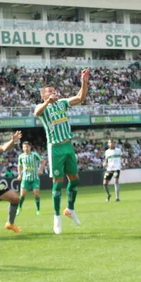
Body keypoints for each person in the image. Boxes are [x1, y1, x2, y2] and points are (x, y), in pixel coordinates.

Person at [34, 68, 90, 234]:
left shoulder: (62, 103)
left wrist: (84, 82)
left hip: (68, 145)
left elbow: (80, 98)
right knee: (57, 185)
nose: (53, 93)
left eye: (53, 91)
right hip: (55, 147)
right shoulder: (42, 107)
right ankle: (57, 217)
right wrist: (47, 102)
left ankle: (70, 209)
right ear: (43, 95)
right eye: (49, 92)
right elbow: (37, 113)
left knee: (75, 181)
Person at [16, 141, 46, 216]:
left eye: (27, 146)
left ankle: (38, 210)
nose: (26, 148)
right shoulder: (21, 156)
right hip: (25, 178)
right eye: (24, 147)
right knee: (22, 195)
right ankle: (19, 208)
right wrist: (19, 175)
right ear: (22, 148)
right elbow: (19, 166)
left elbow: (42, 161)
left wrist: (40, 169)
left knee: (36, 194)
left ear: (30, 147)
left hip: (35, 178)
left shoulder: (34, 155)